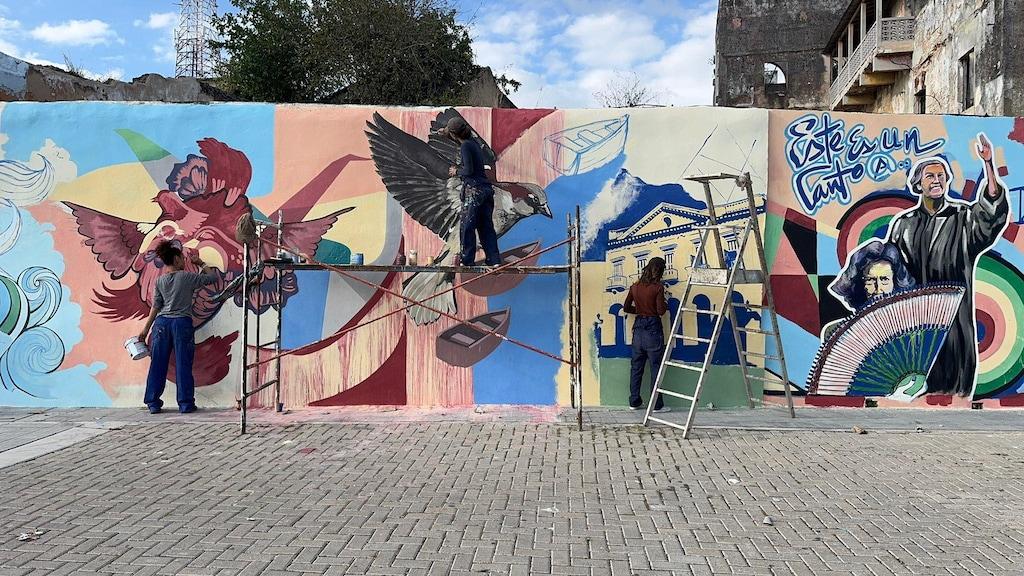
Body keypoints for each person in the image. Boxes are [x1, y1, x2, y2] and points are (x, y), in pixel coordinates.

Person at [886, 133, 1009, 397]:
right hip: (914, 326)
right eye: (930, 176)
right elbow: (890, 271)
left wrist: (988, 164)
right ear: (918, 184)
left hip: (954, 328)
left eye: (942, 175)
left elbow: (990, 216)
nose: (938, 180)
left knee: (954, 392)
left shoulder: (963, 218)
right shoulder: (902, 225)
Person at [138, 241, 219, 414]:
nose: (184, 261)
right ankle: (185, 403)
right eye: (182, 258)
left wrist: (145, 330)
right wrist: (200, 263)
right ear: (175, 259)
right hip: (181, 323)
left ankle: (153, 403)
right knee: (183, 364)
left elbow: (156, 306)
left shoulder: (160, 281)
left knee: (158, 364)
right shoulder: (187, 277)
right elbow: (212, 278)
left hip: (161, 325)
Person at [823, 240, 916, 340]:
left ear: (895, 283)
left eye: (885, 279)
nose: (878, 288)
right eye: (870, 280)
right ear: (859, 285)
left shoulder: (913, 328)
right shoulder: (837, 333)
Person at [441, 116, 501, 267]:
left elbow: (468, 170)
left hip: (474, 191)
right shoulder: (473, 143)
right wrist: (445, 134)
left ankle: (467, 260)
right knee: (485, 227)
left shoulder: (465, 147)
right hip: (486, 191)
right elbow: (459, 139)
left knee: (467, 226)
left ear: (454, 135)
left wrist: (456, 171)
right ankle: (494, 260)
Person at [623, 257, 669, 413]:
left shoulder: (635, 287)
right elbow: (661, 311)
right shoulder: (657, 288)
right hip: (653, 329)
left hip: (638, 329)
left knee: (636, 366)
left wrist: (641, 312)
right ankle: (656, 404)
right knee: (655, 366)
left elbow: (626, 307)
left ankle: (634, 401)